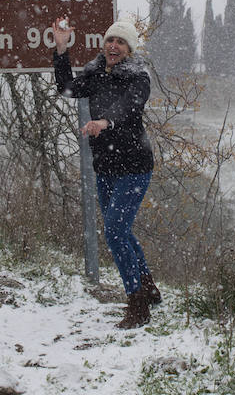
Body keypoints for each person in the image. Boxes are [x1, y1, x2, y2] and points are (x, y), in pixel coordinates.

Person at [50, 17, 161, 329]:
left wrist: (105, 122)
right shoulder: (96, 71)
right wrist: (61, 50)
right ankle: (149, 288)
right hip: (107, 168)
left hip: (135, 166)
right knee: (121, 230)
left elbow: (130, 106)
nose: (114, 46)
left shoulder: (139, 76)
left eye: (121, 42)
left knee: (114, 231)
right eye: (111, 40)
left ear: (129, 49)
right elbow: (68, 89)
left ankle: (137, 303)